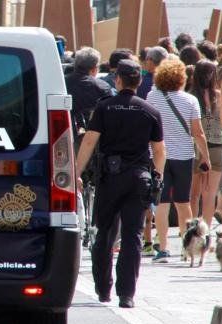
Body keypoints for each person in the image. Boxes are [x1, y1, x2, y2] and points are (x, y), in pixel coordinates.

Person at [76, 59, 166, 309]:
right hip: (138, 178)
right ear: (138, 82)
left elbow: (89, 142)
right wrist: (157, 176)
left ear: (117, 80)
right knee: (132, 236)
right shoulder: (149, 110)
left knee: (104, 233)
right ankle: (126, 294)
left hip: (110, 178)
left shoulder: (105, 108)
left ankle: (103, 288)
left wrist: (75, 173)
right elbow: (159, 150)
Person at [149, 59, 211, 264]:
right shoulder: (190, 100)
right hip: (184, 155)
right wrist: (206, 156)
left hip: (160, 155)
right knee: (184, 202)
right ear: (182, 78)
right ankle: (188, 249)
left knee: (162, 201)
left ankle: (163, 249)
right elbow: (198, 133)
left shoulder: (152, 97)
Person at [188, 60, 222, 229]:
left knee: (193, 195)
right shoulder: (220, 95)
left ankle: (192, 229)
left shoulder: (190, 96)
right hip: (218, 145)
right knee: (210, 194)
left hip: (195, 147)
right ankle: (206, 232)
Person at [64, 47, 113, 145]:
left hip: (64, 136)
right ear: (94, 68)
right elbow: (109, 117)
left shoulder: (61, 83)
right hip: (94, 140)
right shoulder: (103, 87)